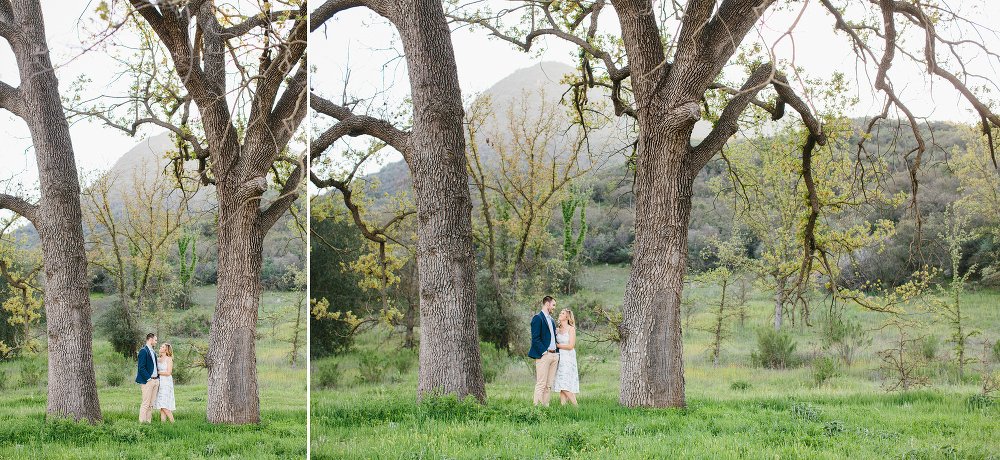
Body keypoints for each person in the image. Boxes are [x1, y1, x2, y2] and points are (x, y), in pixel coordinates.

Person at [528, 295, 559, 405]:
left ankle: (545, 408)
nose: (554, 308)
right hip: (544, 355)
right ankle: (537, 409)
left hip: (554, 355)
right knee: (541, 383)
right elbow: (535, 338)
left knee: (548, 385)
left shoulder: (551, 320)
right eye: (553, 305)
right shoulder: (538, 318)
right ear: (547, 304)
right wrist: (544, 352)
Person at [551, 309, 579, 406]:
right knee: (561, 382)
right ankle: (563, 406)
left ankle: (575, 405)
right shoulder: (557, 330)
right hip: (559, 357)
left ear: (567, 317)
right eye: (560, 313)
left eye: (562, 313)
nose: (560, 314)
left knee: (564, 382)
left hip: (568, 357)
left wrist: (557, 346)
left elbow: (571, 346)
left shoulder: (570, 329)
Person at [135, 333, 159, 423]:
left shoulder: (153, 351)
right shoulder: (143, 351)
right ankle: (141, 423)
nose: (156, 342)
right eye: (155, 340)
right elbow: (141, 367)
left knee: (151, 404)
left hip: (155, 380)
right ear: (150, 339)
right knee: (145, 403)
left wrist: (157, 379)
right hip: (148, 381)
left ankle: (148, 423)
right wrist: (149, 379)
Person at [154, 342, 176, 422]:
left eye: (162, 347)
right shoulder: (158, 359)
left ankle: (172, 421)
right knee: (161, 403)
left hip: (166, 382)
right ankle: (163, 423)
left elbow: (168, 373)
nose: (160, 348)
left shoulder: (169, 359)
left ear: (166, 350)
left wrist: (157, 373)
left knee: (164, 403)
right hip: (159, 381)